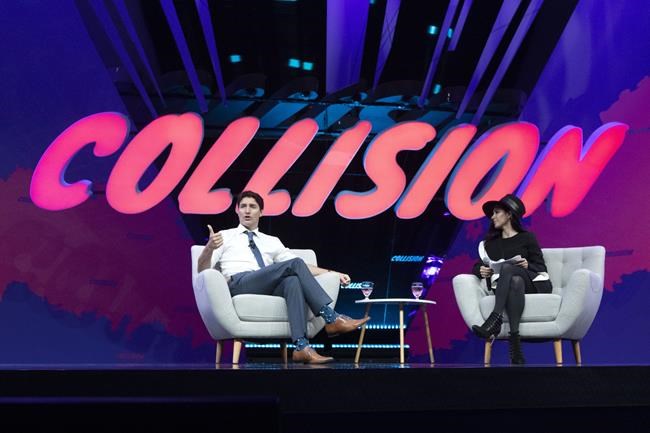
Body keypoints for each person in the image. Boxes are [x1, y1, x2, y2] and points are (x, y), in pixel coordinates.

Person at [197, 190, 370, 364]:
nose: (247, 211)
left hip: (265, 284)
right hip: (239, 283)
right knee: (294, 265)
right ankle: (331, 318)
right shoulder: (224, 236)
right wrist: (209, 248)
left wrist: (332, 272)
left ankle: (302, 347)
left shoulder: (272, 241)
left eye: (252, 207)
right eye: (243, 206)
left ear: (261, 212)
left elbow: (300, 266)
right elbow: (202, 269)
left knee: (292, 281)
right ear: (237, 210)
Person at [470, 194, 552, 364]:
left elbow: (541, 268)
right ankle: (515, 343)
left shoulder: (527, 237)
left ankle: (494, 319)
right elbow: (477, 266)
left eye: (497, 212)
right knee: (515, 281)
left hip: (532, 283)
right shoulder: (490, 244)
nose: (492, 217)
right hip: (508, 285)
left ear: (509, 215)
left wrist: (527, 264)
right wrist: (481, 270)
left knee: (509, 269)